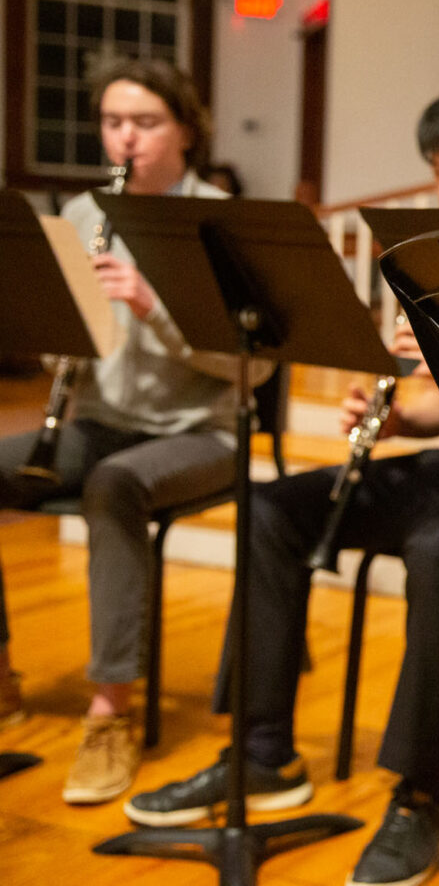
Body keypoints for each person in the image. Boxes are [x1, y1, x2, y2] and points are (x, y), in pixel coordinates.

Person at [124, 82, 439, 886]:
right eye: (436, 171)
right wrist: (399, 417)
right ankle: (262, 756)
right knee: (273, 510)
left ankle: (420, 795)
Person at [0, 57, 260, 805]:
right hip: (103, 420)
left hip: (202, 431)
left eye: (144, 123)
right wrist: (59, 317)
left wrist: (153, 306)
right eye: (113, 122)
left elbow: (255, 371)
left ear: (185, 129)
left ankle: (110, 709)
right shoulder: (86, 214)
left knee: (115, 487)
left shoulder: (219, 221)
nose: (125, 138)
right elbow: (66, 344)